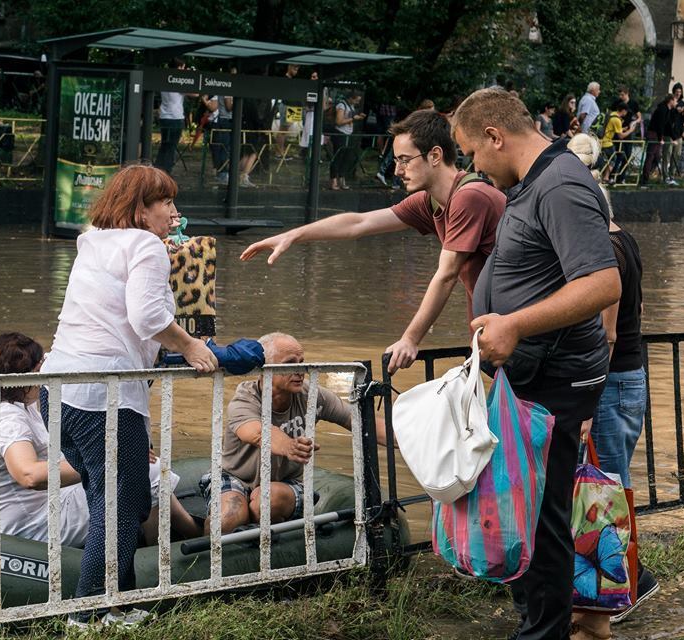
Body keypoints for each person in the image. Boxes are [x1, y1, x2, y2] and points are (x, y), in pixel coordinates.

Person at [452, 88, 621, 640]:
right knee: (526, 509)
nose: (472, 166)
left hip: (555, 377)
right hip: (529, 375)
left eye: (472, 152)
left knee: (543, 517)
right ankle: (538, 623)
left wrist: (516, 324)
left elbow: (602, 282)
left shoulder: (563, 184)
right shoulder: (534, 183)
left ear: (495, 137)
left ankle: (542, 634)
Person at [39, 165, 217, 624]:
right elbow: (147, 318)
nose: (175, 214)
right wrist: (193, 345)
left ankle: (114, 606)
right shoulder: (145, 245)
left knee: (114, 499)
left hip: (57, 390)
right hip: (104, 396)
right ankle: (88, 613)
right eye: (167, 204)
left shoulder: (92, 240)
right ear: (141, 209)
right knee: (119, 506)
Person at [241, 109, 505, 374]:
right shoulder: (430, 201)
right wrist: (294, 235)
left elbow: (446, 275)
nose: (397, 170)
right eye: (396, 160)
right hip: (494, 335)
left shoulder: (469, 197)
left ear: (435, 156)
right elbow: (359, 223)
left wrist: (410, 339)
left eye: (404, 160)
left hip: (517, 333)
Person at [0, 333, 201, 551]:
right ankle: (177, 543)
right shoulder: (6, 417)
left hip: (33, 509)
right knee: (145, 471)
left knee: (137, 466)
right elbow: (28, 474)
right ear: (22, 376)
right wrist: (109, 459)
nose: (46, 372)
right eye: (40, 367)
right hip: (34, 525)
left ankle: (175, 530)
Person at [566, 134, 660, 631]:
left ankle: (625, 585)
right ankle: (623, 580)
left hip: (612, 380)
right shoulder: (627, 240)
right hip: (630, 376)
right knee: (613, 486)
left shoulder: (607, 251)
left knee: (610, 490)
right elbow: (639, 310)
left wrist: (586, 397)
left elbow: (604, 333)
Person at [200, 333, 388, 533]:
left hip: (285, 483)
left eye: (301, 362)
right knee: (229, 515)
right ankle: (206, 558)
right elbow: (256, 432)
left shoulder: (313, 395)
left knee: (267, 500)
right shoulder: (244, 400)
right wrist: (289, 446)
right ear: (263, 369)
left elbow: (362, 422)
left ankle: (263, 543)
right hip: (234, 476)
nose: (300, 370)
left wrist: (412, 440)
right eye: (290, 363)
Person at [155, 58, 191, 174]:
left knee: (164, 145)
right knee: (171, 147)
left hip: (165, 117)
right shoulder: (179, 81)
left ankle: (158, 169)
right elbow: (195, 93)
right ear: (179, 67)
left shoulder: (165, 79)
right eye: (183, 67)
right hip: (175, 118)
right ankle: (166, 171)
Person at [330, 90, 365, 190]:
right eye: (356, 100)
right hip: (340, 133)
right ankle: (334, 181)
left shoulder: (351, 106)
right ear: (351, 98)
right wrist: (353, 119)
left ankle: (342, 179)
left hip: (348, 134)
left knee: (346, 157)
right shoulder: (342, 105)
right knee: (338, 157)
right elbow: (339, 121)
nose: (357, 102)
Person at [641, 94, 676, 185]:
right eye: (675, 100)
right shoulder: (662, 109)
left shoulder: (667, 110)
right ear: (671, 101)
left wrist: (673, 138)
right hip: (654, 135)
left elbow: (667, 125)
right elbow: (660, 125)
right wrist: (660, 138)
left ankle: (647, 176)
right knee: (650, 156)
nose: (676, 103)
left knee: (657, 157)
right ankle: (644, 179)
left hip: (657, 135)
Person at [601, 101, 638, 183]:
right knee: (613, 160)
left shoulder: (612, 114)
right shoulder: (617, 120)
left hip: (601, 140)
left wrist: (624, 129)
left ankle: (604, 177)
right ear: (623, 111)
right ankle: (606, 178)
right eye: (626, 111)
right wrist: (631, 130)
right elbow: (621, 136)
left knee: (606, 160)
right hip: (607, 142)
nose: (627, 113)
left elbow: (612, 128)